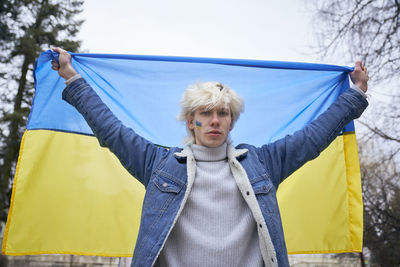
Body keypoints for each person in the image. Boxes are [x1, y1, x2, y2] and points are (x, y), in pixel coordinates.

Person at [51, 47, 369, 267]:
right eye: (205, 113)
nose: (215, 120)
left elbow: (313, 138)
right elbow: (112, 131)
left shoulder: (263, 164)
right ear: (191, 121)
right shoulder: (159, 165)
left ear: (232, 121)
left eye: (223, 113)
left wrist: (355, 95)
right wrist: (71, 77)